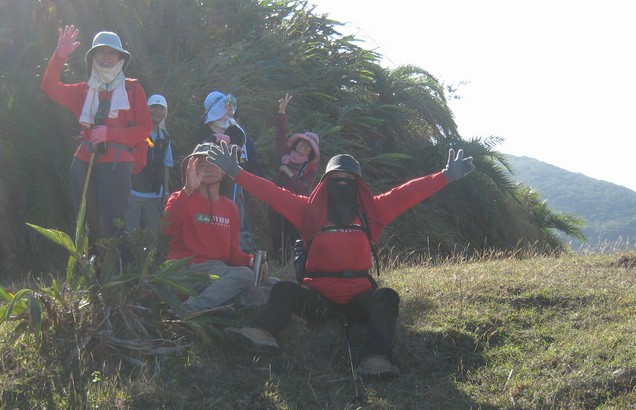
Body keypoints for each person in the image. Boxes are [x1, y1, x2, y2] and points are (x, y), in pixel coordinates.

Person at [207, 143, 475, 377]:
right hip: (319, 301)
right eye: (337, 177)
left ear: (359, 184)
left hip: (360, 300)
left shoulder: (373, 211)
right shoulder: (307, 210)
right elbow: (272, 194)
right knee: (284, 289)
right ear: (325, 182)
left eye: (349, 178)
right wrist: (236, 173)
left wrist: (446, 176)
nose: (343, 183)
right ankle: (263, 333)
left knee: (387, 297)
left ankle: (375, 358)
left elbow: (407, 194)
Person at [42, 25, 152, 252]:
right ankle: (91, 275)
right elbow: (50, 88)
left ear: (121, 57)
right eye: (101, 52)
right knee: (87, 221)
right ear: (92, 56)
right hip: (84, 162)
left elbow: (144, 128)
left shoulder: (132, 89)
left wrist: (110, 133)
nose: (106, 57)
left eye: (112, 52)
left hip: (117, 163)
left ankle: (117, 273)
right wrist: (59, 55)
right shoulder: (83, 90)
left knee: (114, 222)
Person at [162, 142, 264, 317]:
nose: (209, 169)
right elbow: (166, 229)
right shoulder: (180, 197)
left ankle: (224, 311)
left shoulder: (230, 207)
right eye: (202, 165)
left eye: (215, 164)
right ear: (191, 169)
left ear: (224, 170)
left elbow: (233, 253)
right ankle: (187, 310)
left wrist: (252, 261)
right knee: (245, 277)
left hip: (218, 272)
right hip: (185, 270)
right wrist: (187, 190)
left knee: (269, 282)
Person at [200, 91, 261, 252]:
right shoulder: (204, 130)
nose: (228, 107)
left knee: (238, 217)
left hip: (235, 183)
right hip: (209, 185)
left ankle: (241, 252)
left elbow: (244, 152)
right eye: (224, 104)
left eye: (230, 104)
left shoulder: (236, 130)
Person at [271, 93, 321, 258]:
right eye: (303, 143)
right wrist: (282, 112)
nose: (304, 147)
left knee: (294, 236)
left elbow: (304, 189)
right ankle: (279, 263)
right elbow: (280, 136)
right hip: (276, 201)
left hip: (294, 205)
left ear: (311, 152)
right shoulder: (286, 154)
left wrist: (288, 172)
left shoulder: (310, 169)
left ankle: (298, 264)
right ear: (297, 142)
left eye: (308, 147)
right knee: (277, 233)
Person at [126, 94, 174, 233]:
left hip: (155, 196)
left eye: (161, 108)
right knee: (129, 234)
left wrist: (166, 192)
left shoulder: (164, 137)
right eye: (154, 107)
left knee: (151, 237)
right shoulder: (136, 131)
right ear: (146, 109)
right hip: (133, 192)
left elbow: (166, 166)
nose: (157, 111)